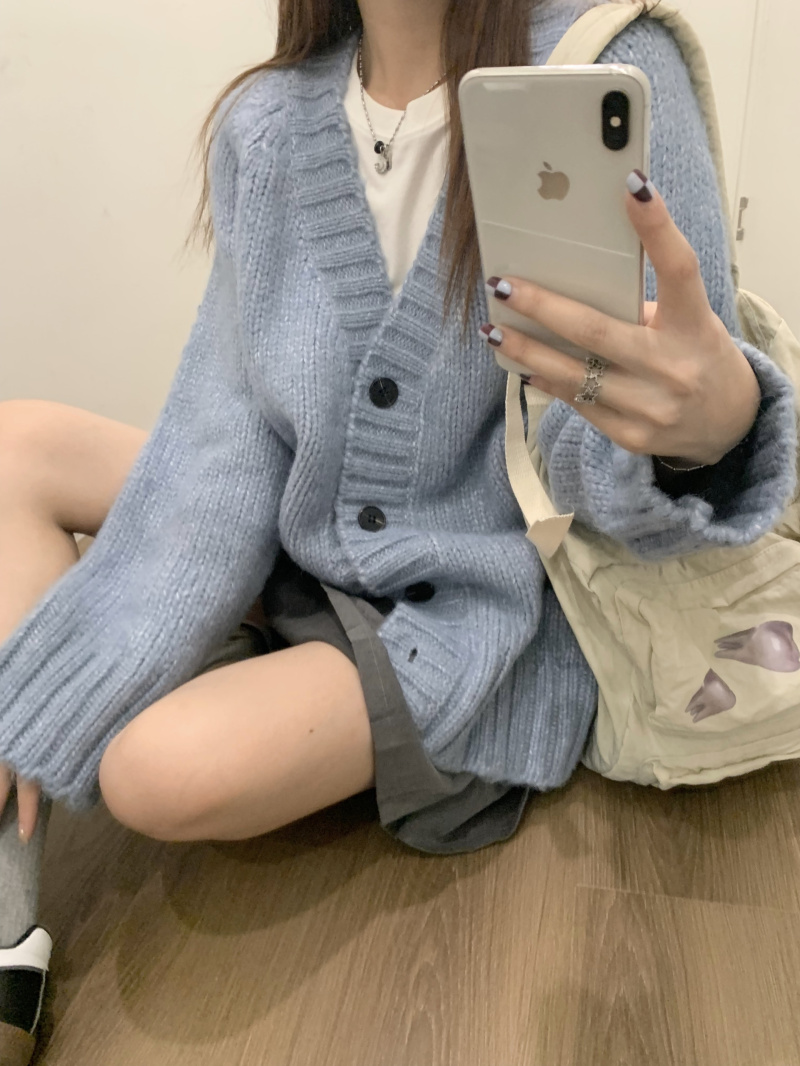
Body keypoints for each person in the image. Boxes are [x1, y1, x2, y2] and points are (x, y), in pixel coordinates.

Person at [0, 0, 795, 1060]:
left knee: (154, 772)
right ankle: (6, 925)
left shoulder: (600, 66)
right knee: (15, 443)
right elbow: (226, 428)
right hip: (305, 525)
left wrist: (709, 434)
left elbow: (600, 453)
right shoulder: (269, 121)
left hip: (476, 602)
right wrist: (68, 677)